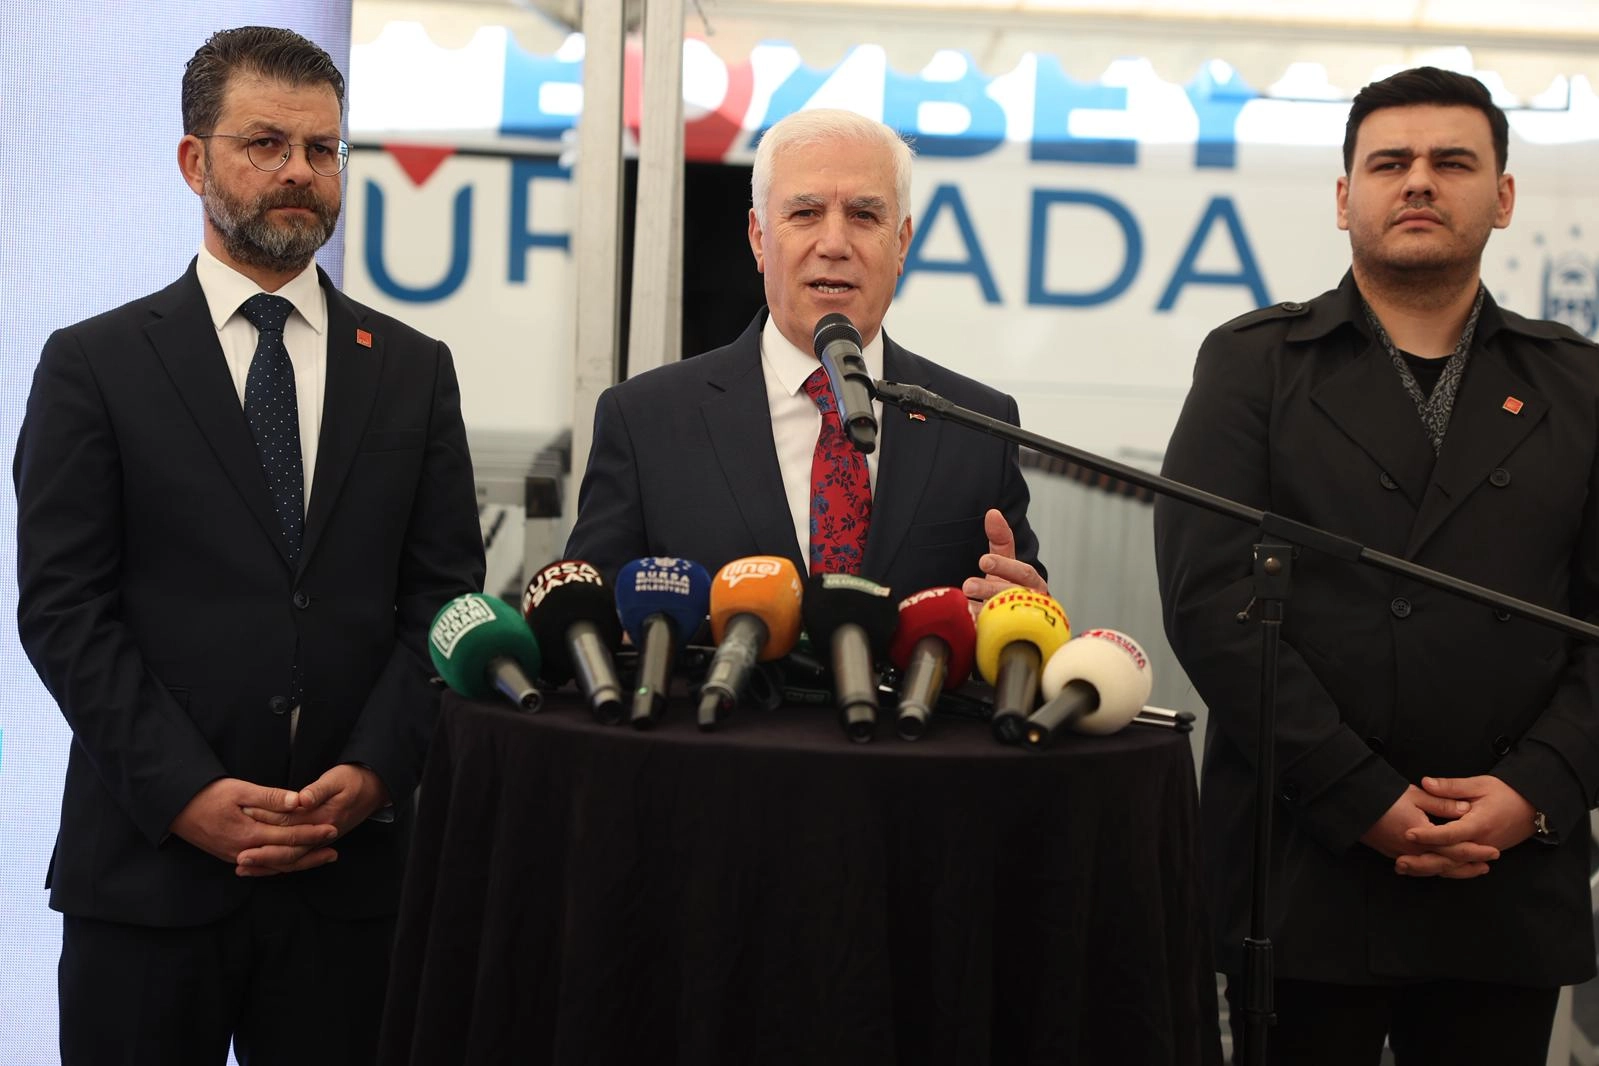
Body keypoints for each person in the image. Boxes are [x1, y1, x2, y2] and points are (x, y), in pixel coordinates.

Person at [13, 26, 485, 1066]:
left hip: (349, 879)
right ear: (195, 162)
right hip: (147, 875)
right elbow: (62, 610)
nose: (299, 172)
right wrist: (185, 794)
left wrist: (378, 769)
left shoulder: (412, 371)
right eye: (265, 144)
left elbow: (447, 599)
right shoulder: (93, 365)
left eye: (322, 149)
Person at [1154, 67, 1599, 1064]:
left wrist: (1534, 790)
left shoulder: (1578, 382)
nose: (1419, 181)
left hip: (1507, 871)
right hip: (1305, 864)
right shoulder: (1254, 364)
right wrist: (1361, 799)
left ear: (1504, 196)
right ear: (1344, 195)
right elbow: (1209, 599)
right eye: (1390, 162)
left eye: (1453, 162)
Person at [566, 108, 1046, 603]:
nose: (834, 244)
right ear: (759, 238)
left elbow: (1018, 608)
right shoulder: (645, 421)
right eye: (805, 214)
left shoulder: (978, 426)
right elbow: (584, 619)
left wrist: (1022, 608)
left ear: (902, 244)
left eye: (864, 216)